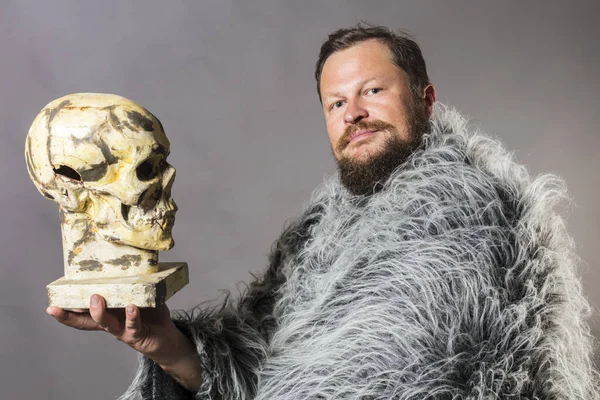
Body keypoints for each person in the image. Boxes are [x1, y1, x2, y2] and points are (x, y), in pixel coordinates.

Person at [47, 25, 599, 399]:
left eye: (374, 91)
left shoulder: (468, 221)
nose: (353, 115)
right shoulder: (322, 229)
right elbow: (258, 371)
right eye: (336, 104)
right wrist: (165, 346)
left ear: (426, 100)